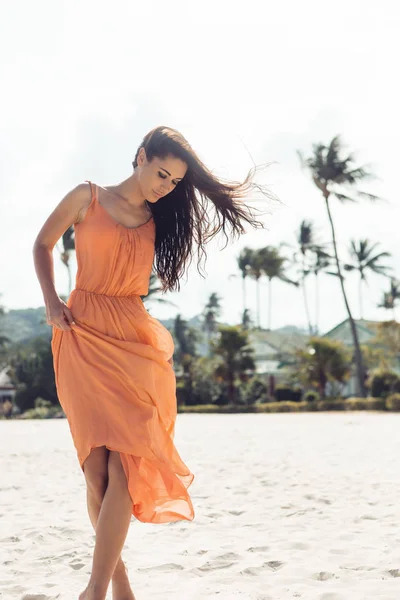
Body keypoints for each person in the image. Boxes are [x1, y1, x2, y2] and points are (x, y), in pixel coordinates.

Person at [32, 125, 270, 600]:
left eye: (175, 182)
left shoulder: (159, 219)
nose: (166, 186)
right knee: (95, 470)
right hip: (80, 335)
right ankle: (120, 587)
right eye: (162, 174)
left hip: (133, 342)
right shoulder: (88, 196)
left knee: (127, 464)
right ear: (140, 157)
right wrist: (52, 302)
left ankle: (94, 591)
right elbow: (42, 244)